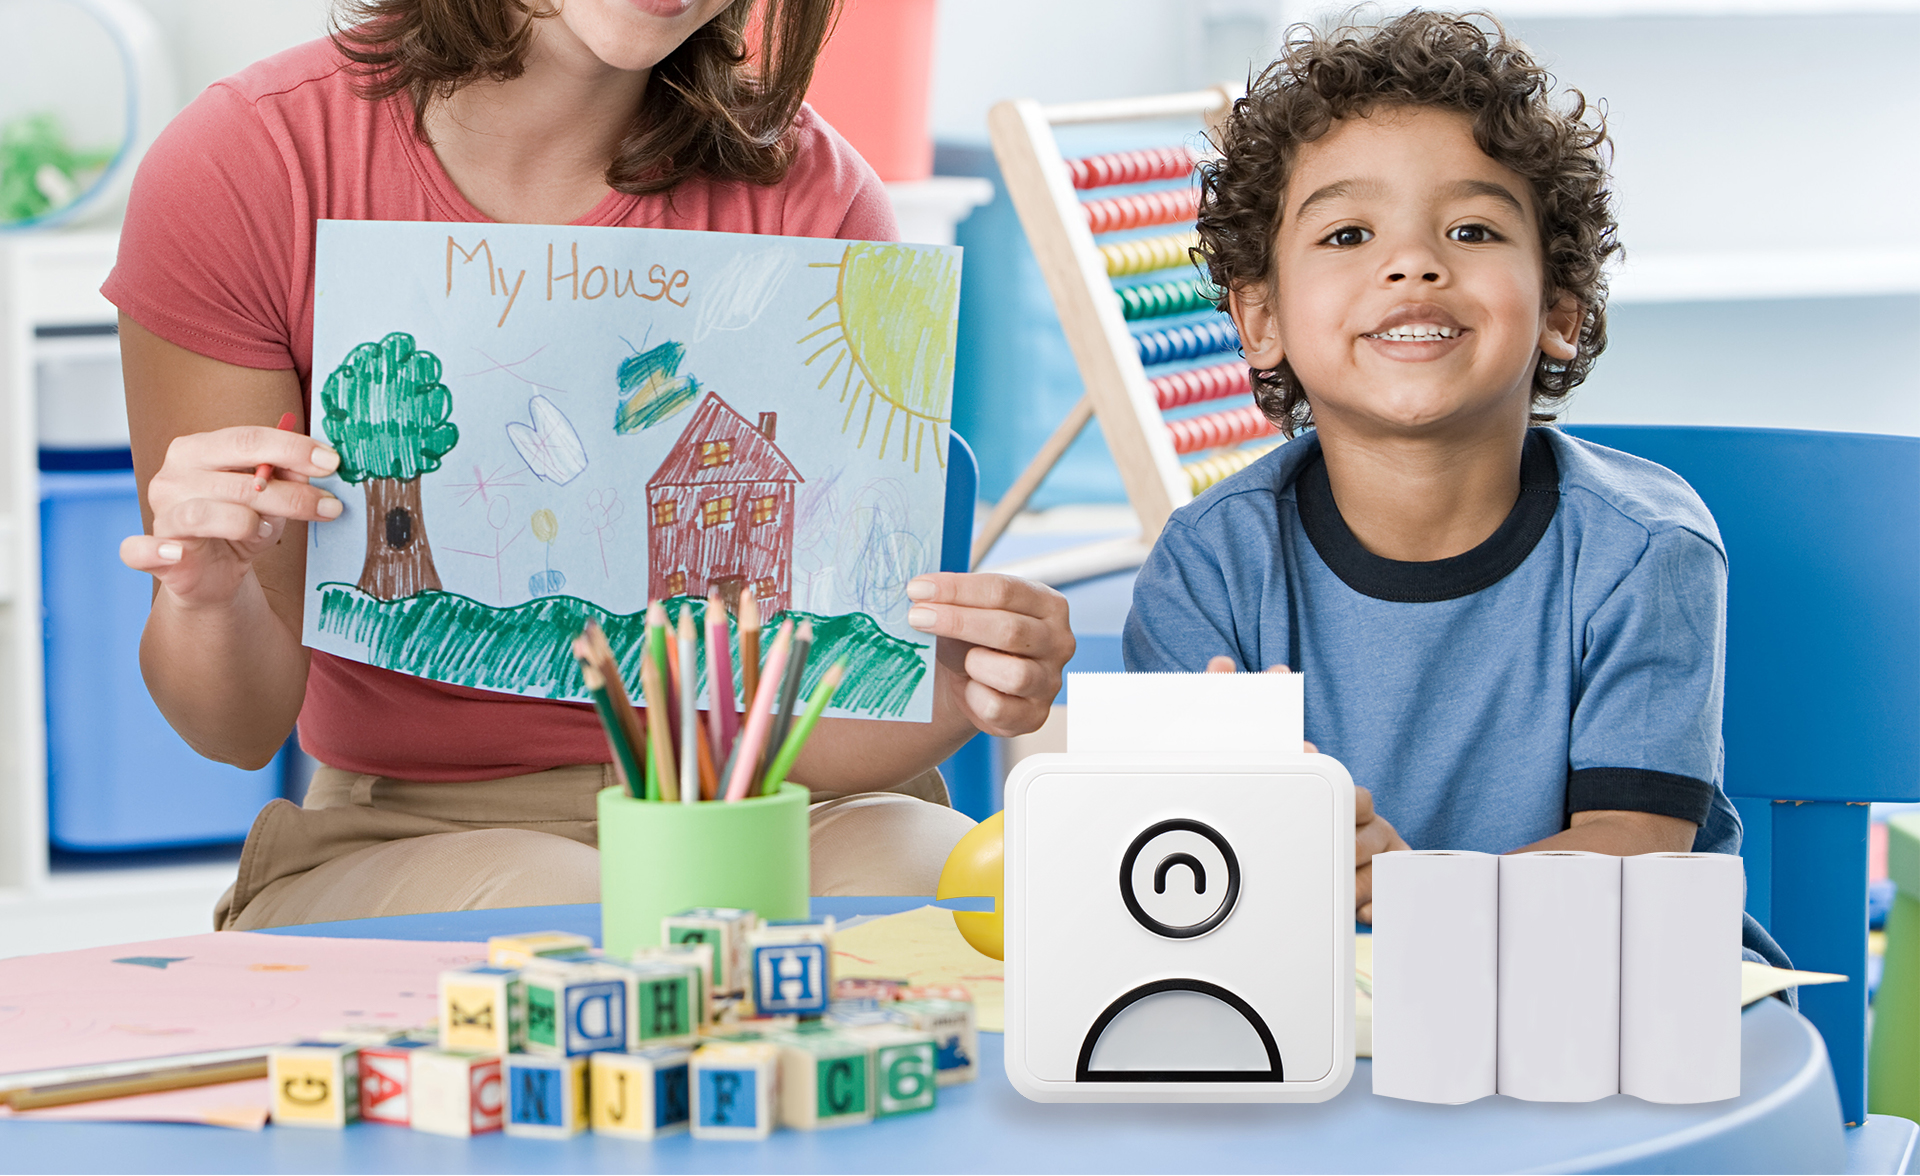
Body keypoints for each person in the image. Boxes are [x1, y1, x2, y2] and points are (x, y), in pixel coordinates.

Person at [107, 0, 1073, 929]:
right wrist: (203, 597)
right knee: (587, 929)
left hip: (761, 806)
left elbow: (808, 721)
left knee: (993, 901)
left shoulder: (816, 194)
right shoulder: (249, 164)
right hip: (415, 828)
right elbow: (233, 733)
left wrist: (955, 692)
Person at [1121, 11, 1785, 964]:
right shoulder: (1207, 567)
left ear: (1562, 308)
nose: (1413, 262)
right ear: (1261, 318)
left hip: (1622, 1007)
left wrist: (1414, 898)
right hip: (1328, 1029)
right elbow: (1182, 876)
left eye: (1470, 229)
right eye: (1348, 233)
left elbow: (1635, 852)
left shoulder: (1644, 550)